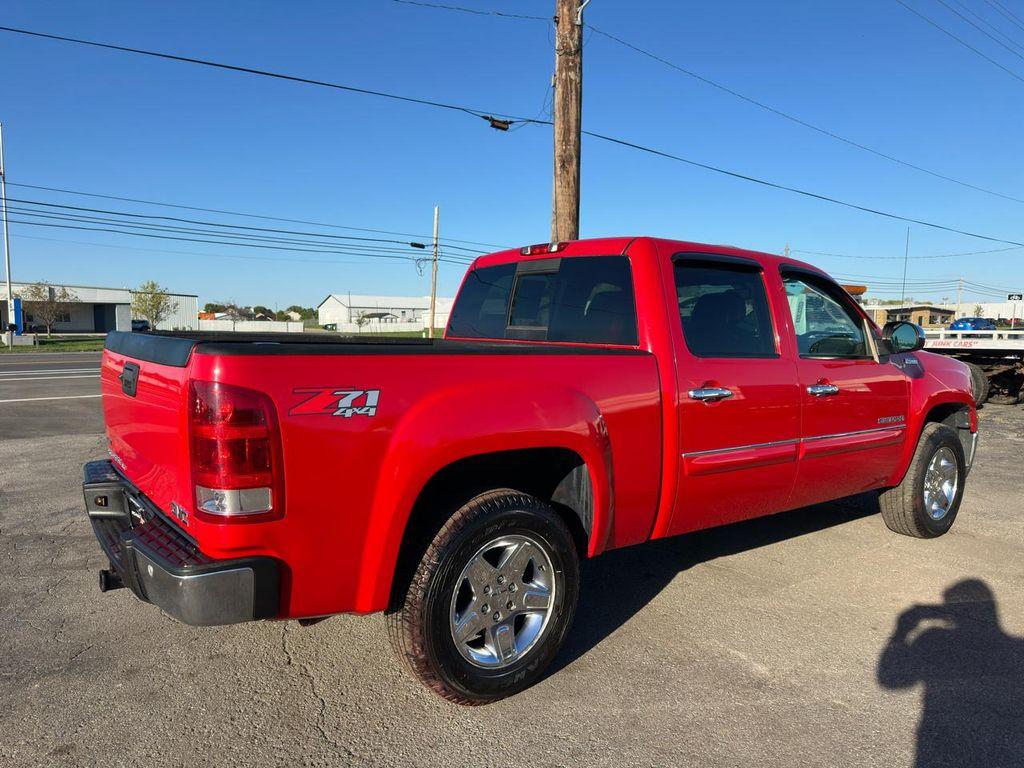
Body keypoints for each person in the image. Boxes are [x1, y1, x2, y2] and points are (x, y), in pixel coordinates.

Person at [877, 579, 1024, 767]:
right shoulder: (1018, 650)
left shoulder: (934, 639)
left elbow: (892, 679)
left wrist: (901, 630)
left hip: (941, 745)